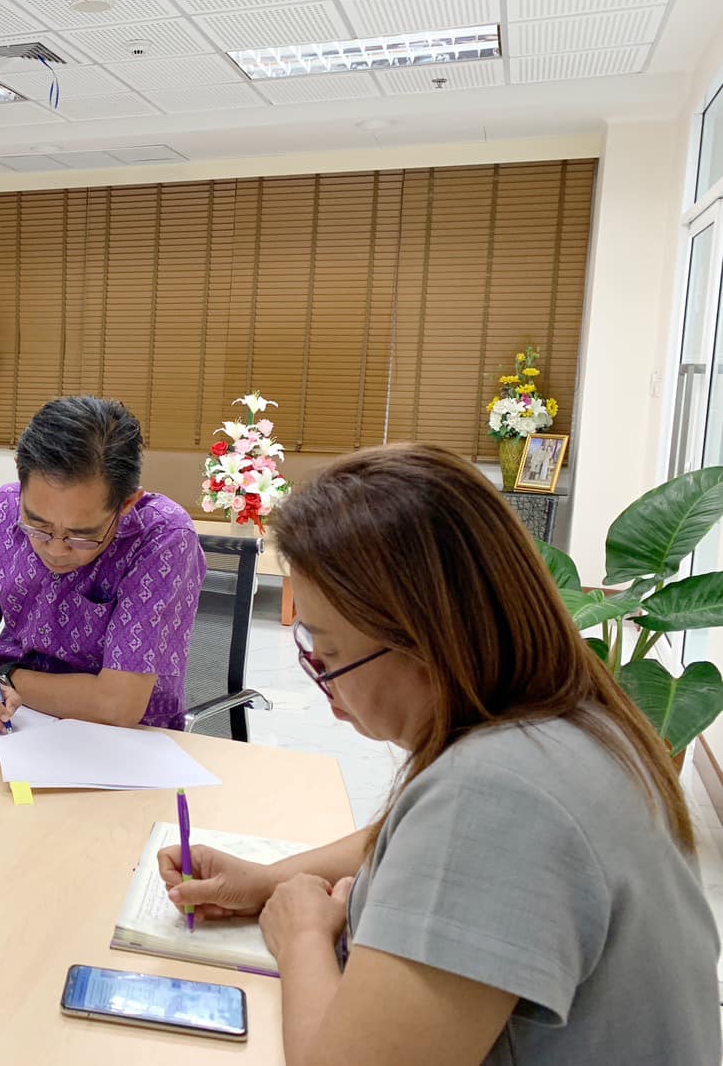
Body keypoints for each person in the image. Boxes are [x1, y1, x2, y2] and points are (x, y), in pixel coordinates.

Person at [157, 444, 719, 1065]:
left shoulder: (497, 795)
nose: (318, 674)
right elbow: (408, 842)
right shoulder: (570, 724)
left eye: (332, 652)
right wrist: (271, 879)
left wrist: (303, 939)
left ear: (429, 642)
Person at [0, 396, 206, 731]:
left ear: (127, 504)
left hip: (126, 742)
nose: (56, 549)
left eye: (82, 535)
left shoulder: (163, 537)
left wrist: (6, 675)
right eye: (38, 526)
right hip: (15, 726)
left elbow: (117, 705)